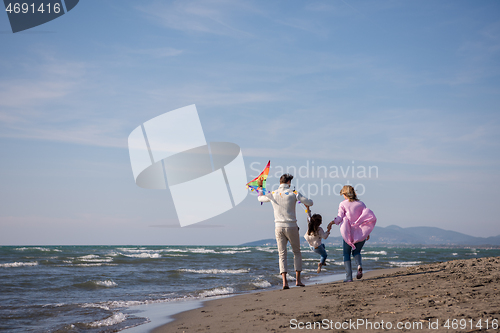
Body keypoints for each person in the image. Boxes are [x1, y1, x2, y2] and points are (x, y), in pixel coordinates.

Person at [257, 173, 313, 289]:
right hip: (291, 226)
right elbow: (310, 203)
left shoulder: (272, 194)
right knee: (296, 252)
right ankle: (298, 280)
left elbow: (260, 198)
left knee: (282, 254)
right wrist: (302, 198)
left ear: (279, 182)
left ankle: (284, 282)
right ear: (288, 183)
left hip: (278, 227)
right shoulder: (294, 193)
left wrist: (260, 187)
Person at [328, 185, 376, 282]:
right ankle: (359, 265)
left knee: (346, 254)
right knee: (357, 252)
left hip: (349, 233)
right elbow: (365, 218)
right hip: (361, 233)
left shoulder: (343, 204)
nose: (343, 197)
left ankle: (348, 278)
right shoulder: (361, 204)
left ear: (345, 194)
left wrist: (332, 222)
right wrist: (367, 232)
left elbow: (340, 218)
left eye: (343, 194)